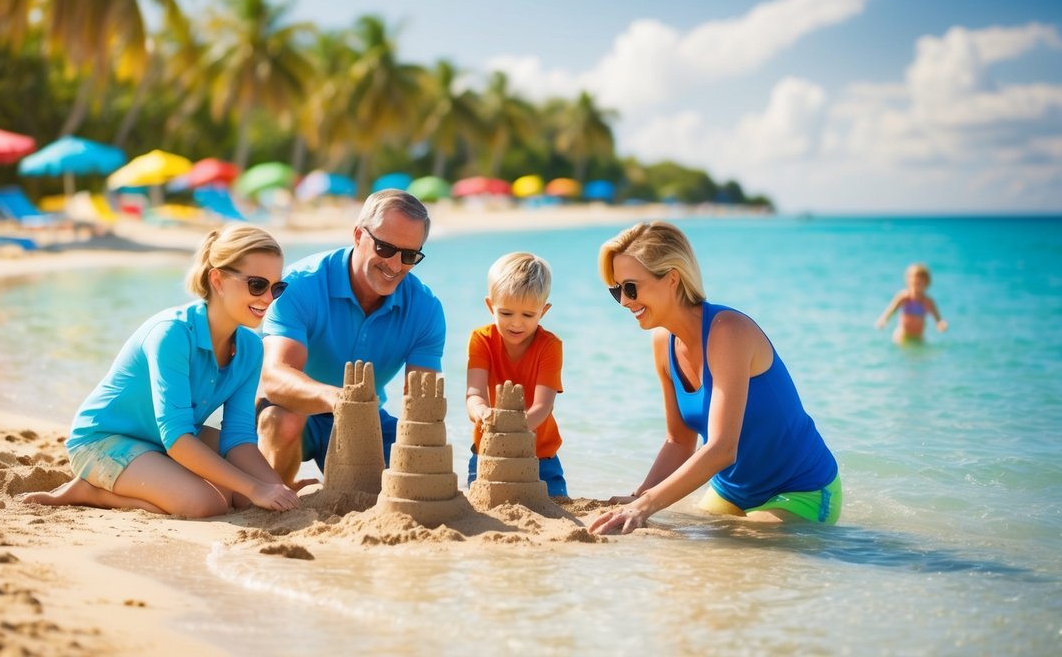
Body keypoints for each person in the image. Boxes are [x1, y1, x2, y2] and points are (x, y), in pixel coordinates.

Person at [23, 225, 299, 517]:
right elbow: (178, 437)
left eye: (277, 287)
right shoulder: (172, 333)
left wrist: (271, 486)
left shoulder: (251, 349)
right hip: (104, 441)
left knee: (249, 497)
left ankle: (159, 478)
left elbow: (238, 436)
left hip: (166, 439)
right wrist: (255, 487)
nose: (268, 298)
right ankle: (91, 492)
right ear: (217, 280)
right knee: (206, 504)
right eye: (257, 285)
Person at [589, 221, 841, 535]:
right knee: (678, 547)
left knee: (740, 544)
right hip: (731, 491)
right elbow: (679, 441)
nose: (624, 301)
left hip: (801, 489)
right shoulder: (661, 343)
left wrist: (646, 504)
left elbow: (723, 448)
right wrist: (639, 496)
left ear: (672, 279)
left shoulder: (728, 331)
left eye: (631, 287)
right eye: (617, 291)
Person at [256, 189, 446, 487]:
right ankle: (274, 494)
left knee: (421, 459)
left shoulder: (426, 309)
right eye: (384, 248)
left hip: (367, 418)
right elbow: (275, 379)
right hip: (294, 408)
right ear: (358, 235)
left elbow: (421, 404)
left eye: (409, 255)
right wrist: (338, 398)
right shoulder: (298, 285)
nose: (395, 266)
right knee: (284, 420)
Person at [465, 252, 567, 497]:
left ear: (543, 311)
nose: (516, 324)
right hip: (488, 452)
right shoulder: (482, 340)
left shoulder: (549, 346)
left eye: (528, 315)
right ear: (491, 306)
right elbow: (474, 394)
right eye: (506, 313)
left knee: (554, 506)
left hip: (540, 456)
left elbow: (543, 406)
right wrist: (481, 412)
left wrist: (512, 429)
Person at [875, 263, 947, 343]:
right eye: (914, 283)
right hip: (903, 335)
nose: (917, 287)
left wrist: (941, 324)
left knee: (920, 354)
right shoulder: (904, 297)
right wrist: (883, 320)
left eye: (920, 284)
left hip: (919, 336)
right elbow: (891, 310)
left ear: (927, 284)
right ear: (908, 281)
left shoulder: (928, 301)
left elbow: (938, 318)